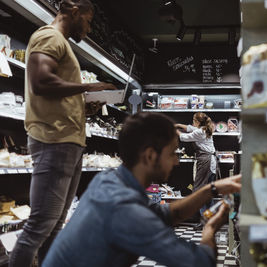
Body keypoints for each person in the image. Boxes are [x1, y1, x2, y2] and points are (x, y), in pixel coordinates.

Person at [42, 113, 241, 267]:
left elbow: (165, 213)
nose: (177, 161)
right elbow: (201, 262)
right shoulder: (125, 209)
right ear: (150, 156)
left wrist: (211, 189)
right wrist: (210, 228)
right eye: (172, 153)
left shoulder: (110, 179)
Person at [9, 0, 117, 266]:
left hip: (66, 142)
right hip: (53, 141)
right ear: (74, 11)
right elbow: (41, 81)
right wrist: (88, 89)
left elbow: (55, 95)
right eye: (89, 21)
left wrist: (84, 108)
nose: (89, 29)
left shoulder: (60, 43)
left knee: (54, 225)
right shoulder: (49, 36)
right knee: (40, 226)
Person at [175, 112, 218, 223]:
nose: (193, 123)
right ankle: (211, 220)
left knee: (199, 192)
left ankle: (205, 220)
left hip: (205, 162)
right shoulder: (205, 129)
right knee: (208, 193)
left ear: (198, 122)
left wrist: (174, 129)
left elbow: (184, 137)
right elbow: (190, 128)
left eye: (194, 120)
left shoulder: (200, 132)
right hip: (209, 161)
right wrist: (179, 124)